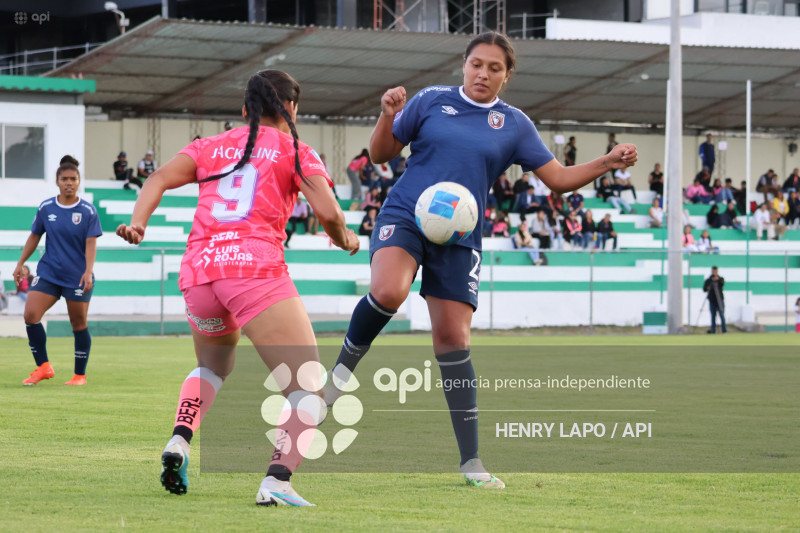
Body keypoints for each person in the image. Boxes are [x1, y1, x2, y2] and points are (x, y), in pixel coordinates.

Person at [321, 32, 637, 490]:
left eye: (493, 68)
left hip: (461, 234)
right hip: (407, 212)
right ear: (463, 65)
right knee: (389, 291)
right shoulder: (431, 100)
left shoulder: (514, 124)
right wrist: (387, 115)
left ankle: (471, 461)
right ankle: (338, 378)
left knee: (453, 340)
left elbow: (559, 180)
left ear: (506, 76)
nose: (482, 73)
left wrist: (605, 162)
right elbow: (381, 154)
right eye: (475, 64)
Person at [115, 70, 359, 506]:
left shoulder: (209, 146)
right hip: (253, 272)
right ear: (293, 110)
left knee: (212, 368)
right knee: (307, 390)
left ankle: (181, 440)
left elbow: (156, 179)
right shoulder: (296, 150)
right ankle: (277, 481)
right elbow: (330, 214)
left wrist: (138, 223)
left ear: (245, 110)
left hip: (200, 273)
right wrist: (348, 241)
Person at [14, 158, 101, 386]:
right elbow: (35, 236)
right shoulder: (46, 207)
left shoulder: (88, 211)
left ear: (79, 181)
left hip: (77, 276)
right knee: (30, 316)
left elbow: (91, 243)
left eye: (73, 179)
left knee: (78, 324)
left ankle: (79, 375)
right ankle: (43, 367)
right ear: (57, 182)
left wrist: (88, 272)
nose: (69, 183)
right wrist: (20, 263)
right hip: (49, 272)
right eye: (65, 179)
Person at [703, 266, 726, 334]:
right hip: (712, 301)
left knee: (722, 315)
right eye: (713, 271)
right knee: (713, 316)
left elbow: (722, 284)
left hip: (719, 300)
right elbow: (704, 289)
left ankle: (724, 330)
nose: (714, 272)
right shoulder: (708, 280)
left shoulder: (720, 279)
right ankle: (713, 330)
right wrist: (709, 285)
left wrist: (717, 279)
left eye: (716, 271)